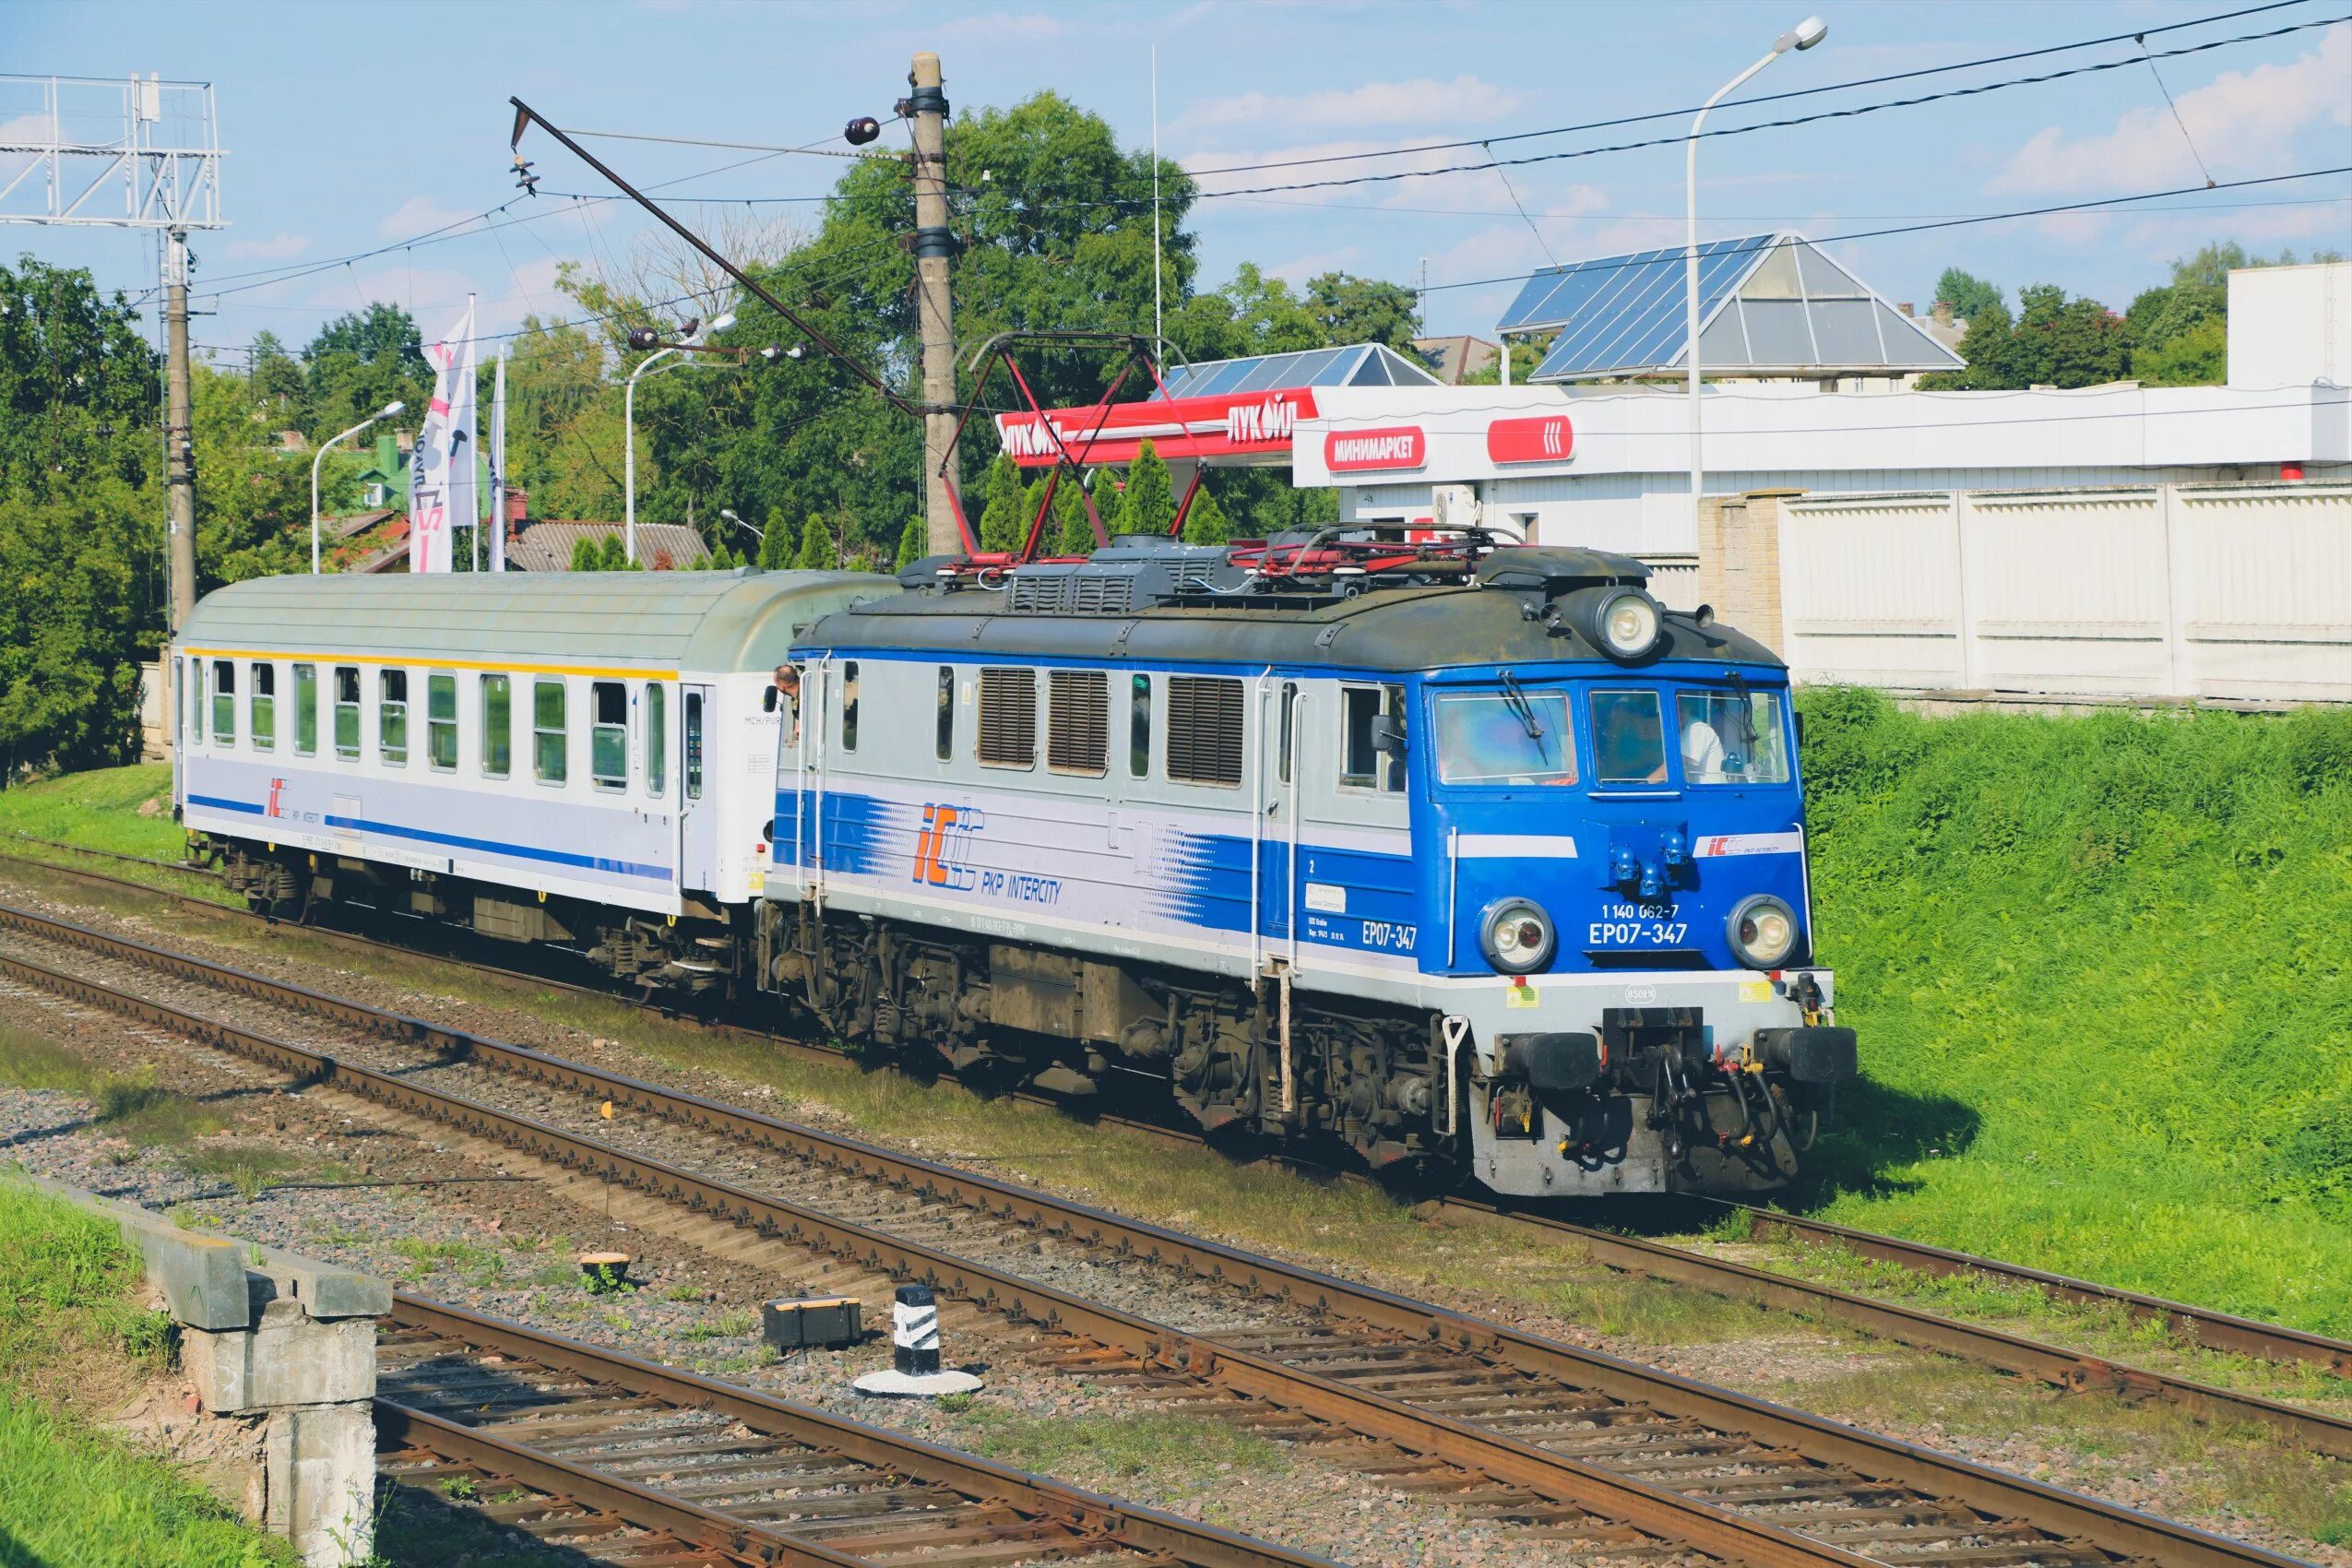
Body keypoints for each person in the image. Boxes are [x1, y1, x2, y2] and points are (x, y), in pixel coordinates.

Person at [773, 663, 802, 744]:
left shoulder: (806, 698)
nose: (777, 687)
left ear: (782, 686)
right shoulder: (797, 698)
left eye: (776, 684)